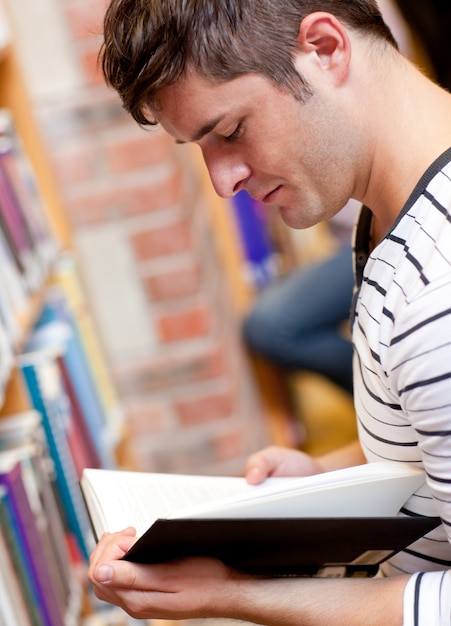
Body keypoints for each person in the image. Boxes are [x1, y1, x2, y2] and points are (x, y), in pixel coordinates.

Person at [88, 1, 451, 624]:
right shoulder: (399, 214)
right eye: (199, 147)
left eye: (229, 131)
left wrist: (233, 595)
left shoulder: (437, 290)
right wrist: (329, 482)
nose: (223, 181)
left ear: (326, 48)